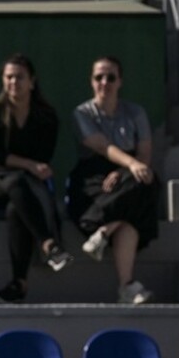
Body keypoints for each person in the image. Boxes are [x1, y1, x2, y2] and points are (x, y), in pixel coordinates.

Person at [0, 53, 71, 304]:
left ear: (32, 81)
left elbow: (44, 155)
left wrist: (17, 162)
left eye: (19, 77)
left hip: (26, 188)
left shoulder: (46, 116)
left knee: (15, 209)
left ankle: (19, 283)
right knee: (16, 182)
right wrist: (27, 164)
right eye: (8, 77)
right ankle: (48, 242)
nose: (13, 82)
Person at [67, 56, 161, 305]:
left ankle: (104, 232)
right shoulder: (82, 113)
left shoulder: (135, 112)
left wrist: (124, 171)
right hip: (93, 175)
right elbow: (101, 146)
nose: (104, 83)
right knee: (133, 209)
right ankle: (127, 284)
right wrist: (128, 165)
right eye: (99, 77)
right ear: (91, 81)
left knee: (147, 180)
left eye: (110, 77)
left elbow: (143, 154)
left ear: (120, 81)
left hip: (126, 174)